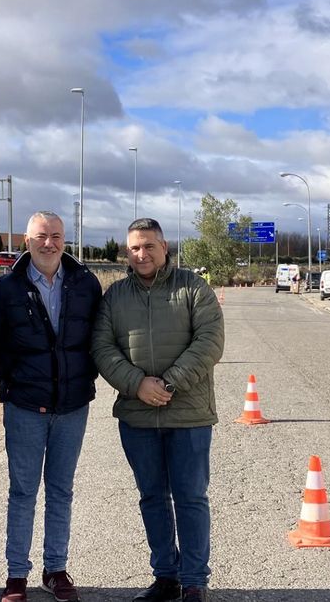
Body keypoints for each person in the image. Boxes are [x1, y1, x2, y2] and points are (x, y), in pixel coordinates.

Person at [91, 218, 225, 602]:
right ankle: (165, 577)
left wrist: (166, 384)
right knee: (151, 497)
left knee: (190, 498)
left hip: (189, 416)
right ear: (127, 252)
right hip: (137, 417)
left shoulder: (194, 289)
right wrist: (137, 385)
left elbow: (210, 342)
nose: (142, 253)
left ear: (164, 248)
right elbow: (102, 348)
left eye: (149, 246)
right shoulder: (114, 297)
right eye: (134, 247)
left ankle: (195, 580)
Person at [0, 211, 102, 602]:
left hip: (72, 406)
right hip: (24, 407)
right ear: (26, 240)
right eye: (40, 236)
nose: (48, 243)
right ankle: (17, 575)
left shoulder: (86, 284)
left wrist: (83, 381)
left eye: (55, 235)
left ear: (64, 239)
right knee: (22, 492)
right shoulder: (4, 290)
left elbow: (95, 341)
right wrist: (13, 385)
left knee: (61, 490)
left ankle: (56, 570)